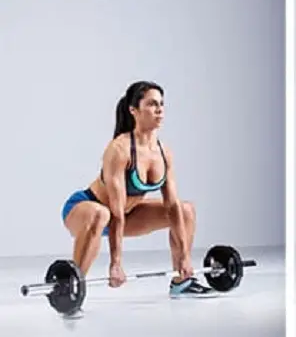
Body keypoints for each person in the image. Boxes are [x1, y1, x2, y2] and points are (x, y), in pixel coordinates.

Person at [60, 81, 214, 317]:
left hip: (127, 215)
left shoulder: (164, 152)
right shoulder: (119, 149)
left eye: (162, 104)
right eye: (152, 104)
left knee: (185, 210)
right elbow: (116, 211)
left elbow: (172, 207)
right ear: (134, 110)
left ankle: (182, 281)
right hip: (87, 210)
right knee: (103, 213)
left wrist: (185, 257)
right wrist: (116, 263)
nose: (159, 109)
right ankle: (72, 289)